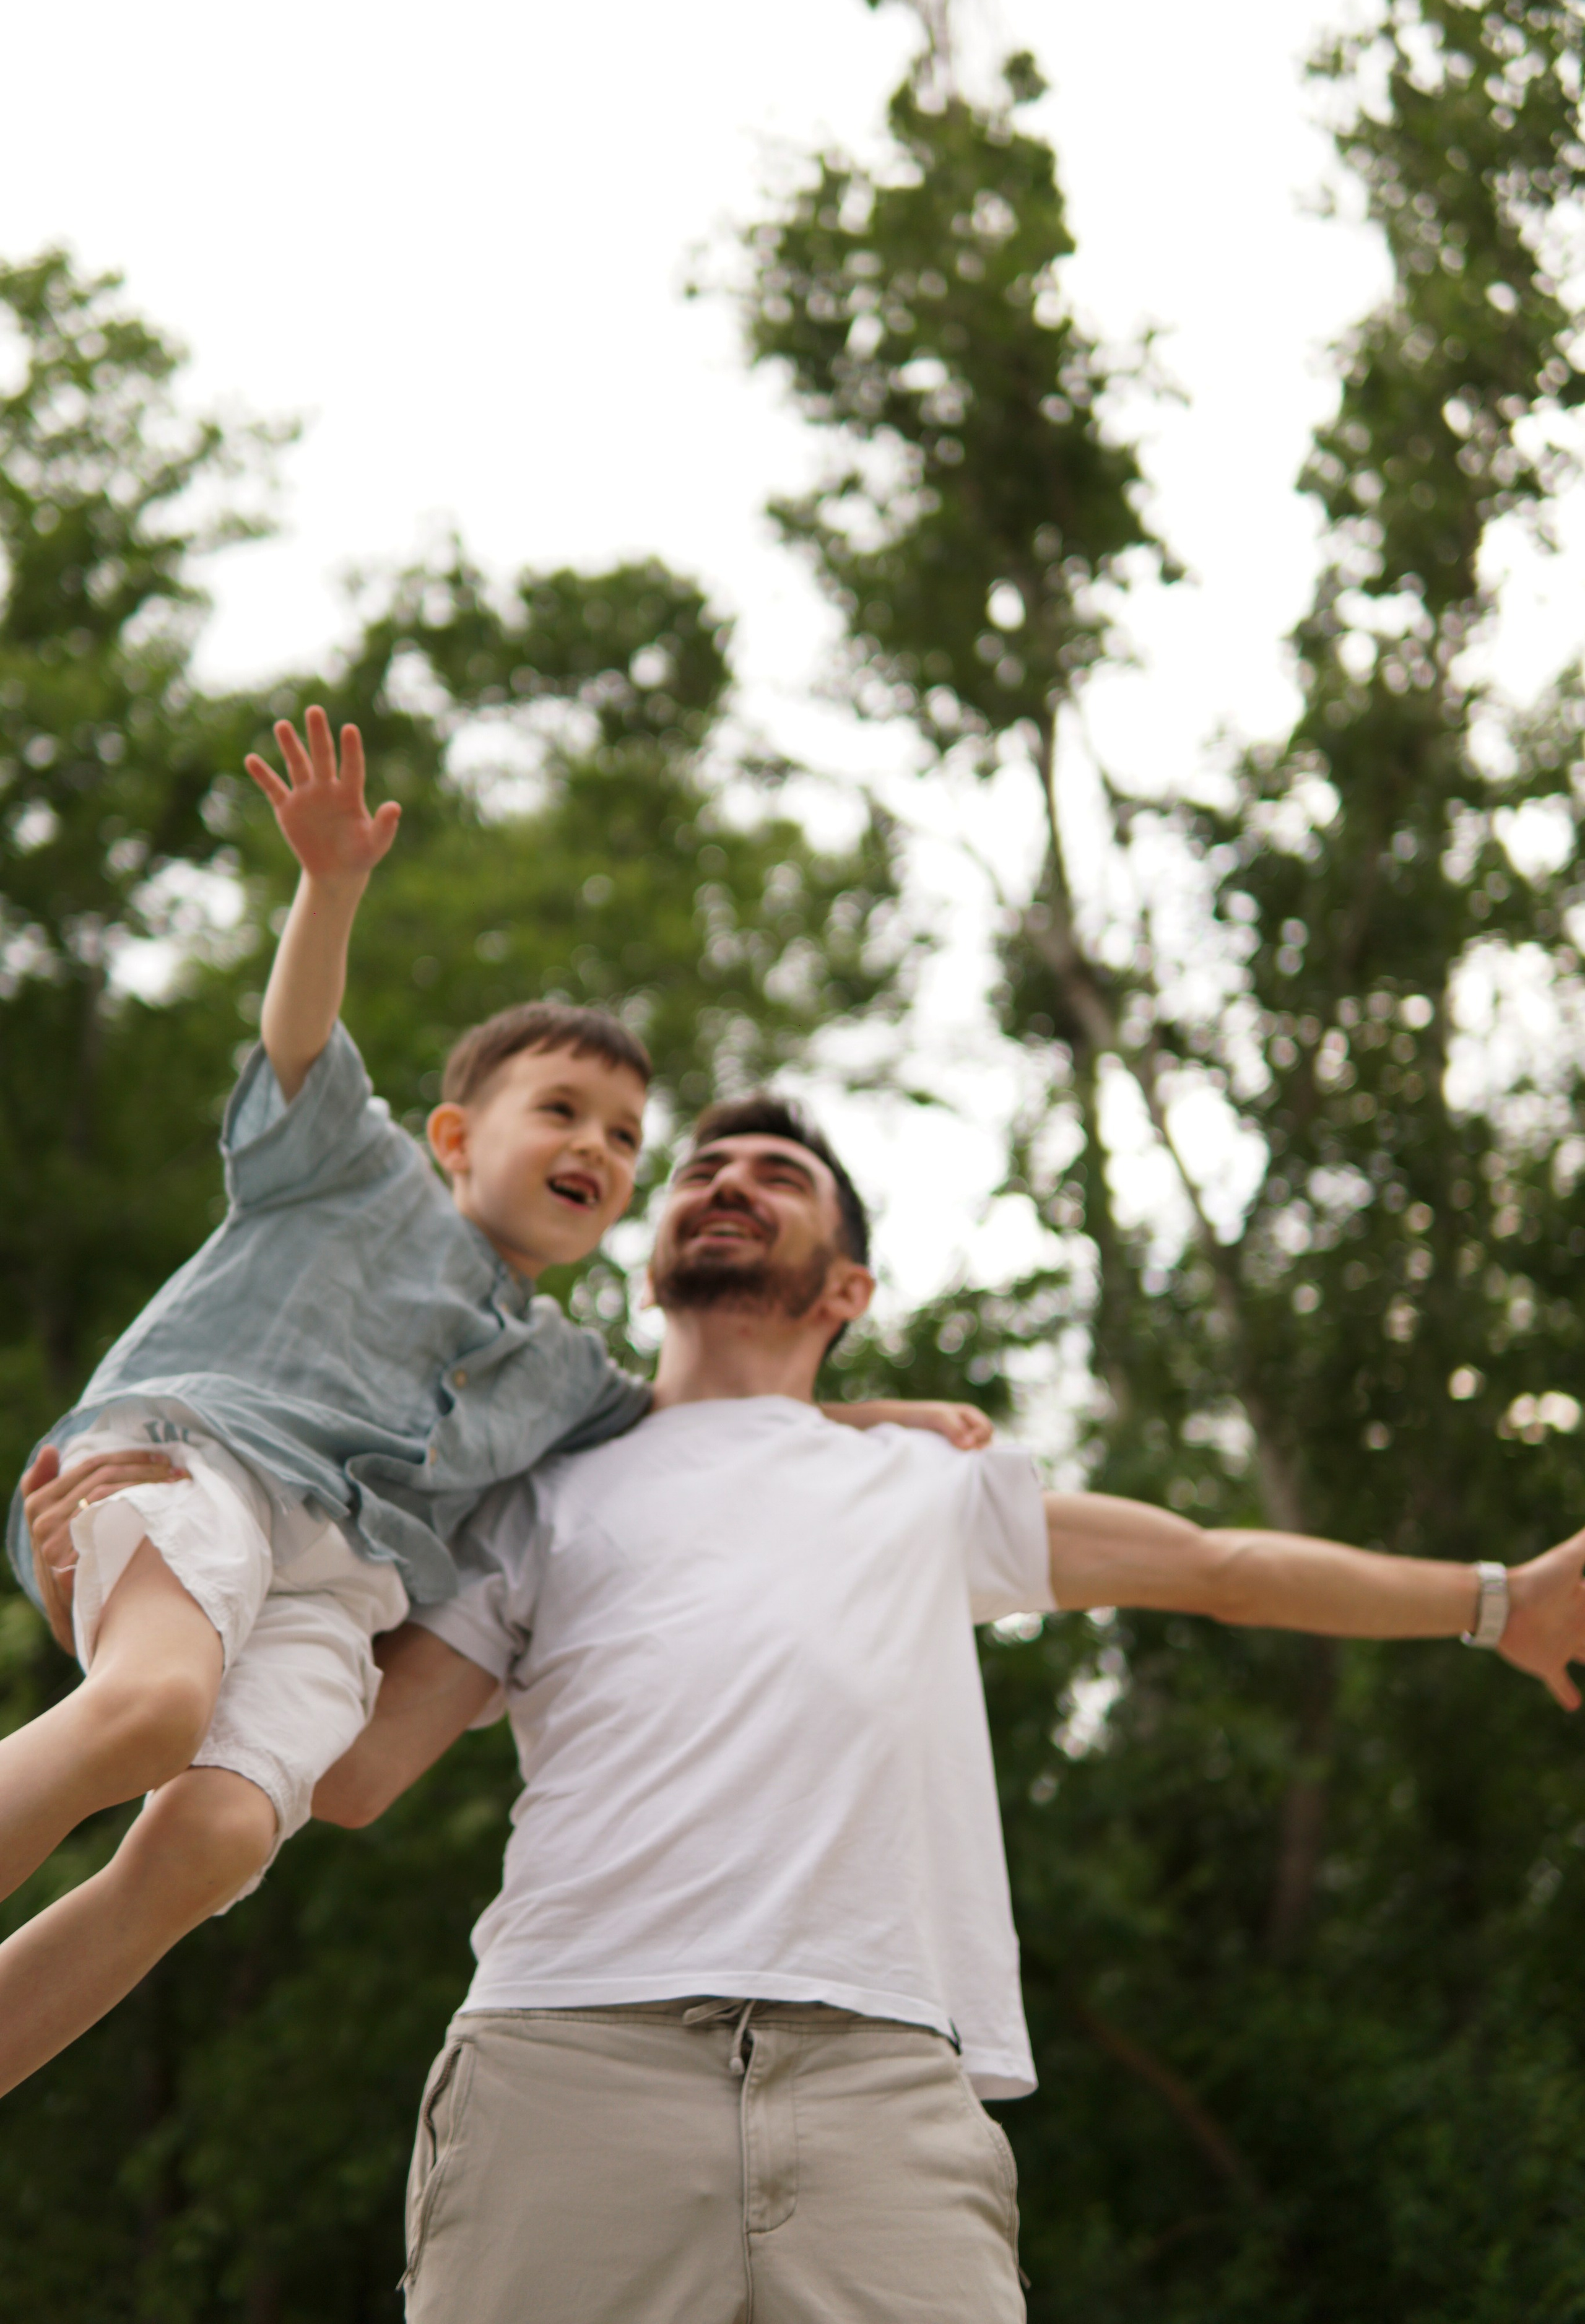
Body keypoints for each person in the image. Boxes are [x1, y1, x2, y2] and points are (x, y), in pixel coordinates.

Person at [36, 1092, 1585, 2322]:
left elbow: (1218, 1565)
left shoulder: (926, 1479)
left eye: (775, 1174)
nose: (725, 1180)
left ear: (843, 1282)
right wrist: (146, 1565)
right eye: (704, 1168)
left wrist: (1497, 1601)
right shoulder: (531, 1494)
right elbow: (360, 1771)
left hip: (881, 2088)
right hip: (565, 2066)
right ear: (648, 1262)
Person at [0, 709, 971, 2101]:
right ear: (459, 1137)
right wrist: (329, 888)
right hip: (200, 1461)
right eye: (563, 1111)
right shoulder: (359, 1171)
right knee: (154, 1709)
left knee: (212, 1842)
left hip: (336, 1593)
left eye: (625, 1139)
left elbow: (713, 1422)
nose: (596, 1146)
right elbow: (300, 1034)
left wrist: (880, 1421)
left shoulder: (567, 1379)